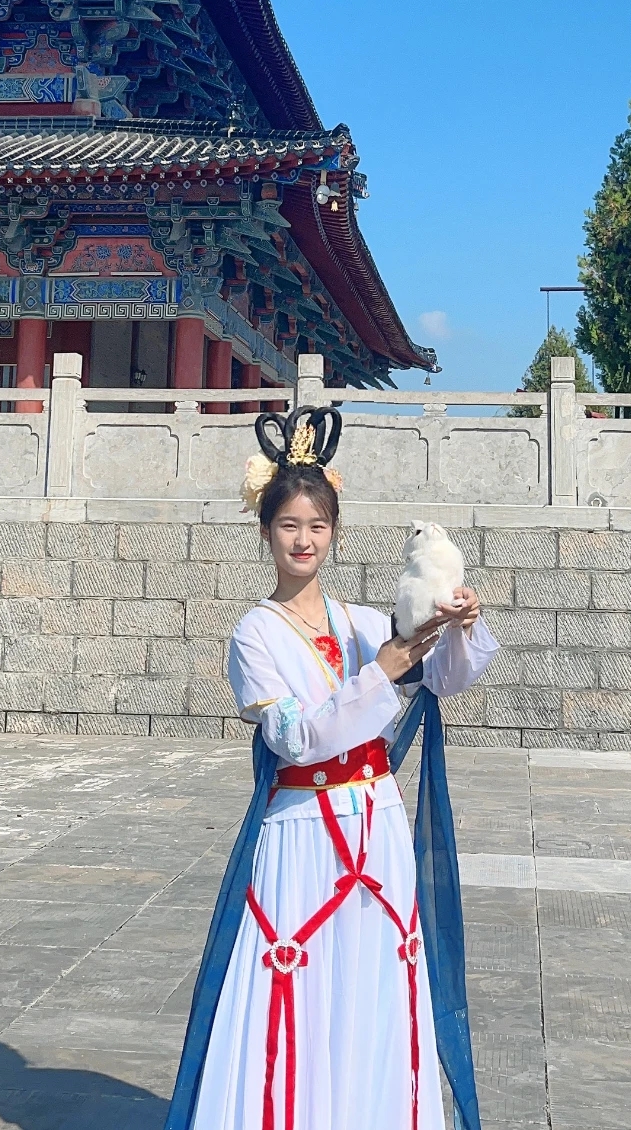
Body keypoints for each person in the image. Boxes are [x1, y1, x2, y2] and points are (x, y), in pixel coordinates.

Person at [167, 406, 498, 1130]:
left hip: (377, 823)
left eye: (317, 526)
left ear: (335, 533)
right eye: (289, 525)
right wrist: (383, 671)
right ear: (265, 531)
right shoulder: (255, 633)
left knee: (372, 980)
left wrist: (459, 628)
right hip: (303, 834)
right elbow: (297, 738)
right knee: (299, 985)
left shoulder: (363, 622)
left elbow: (441, 680)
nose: (303, 539)